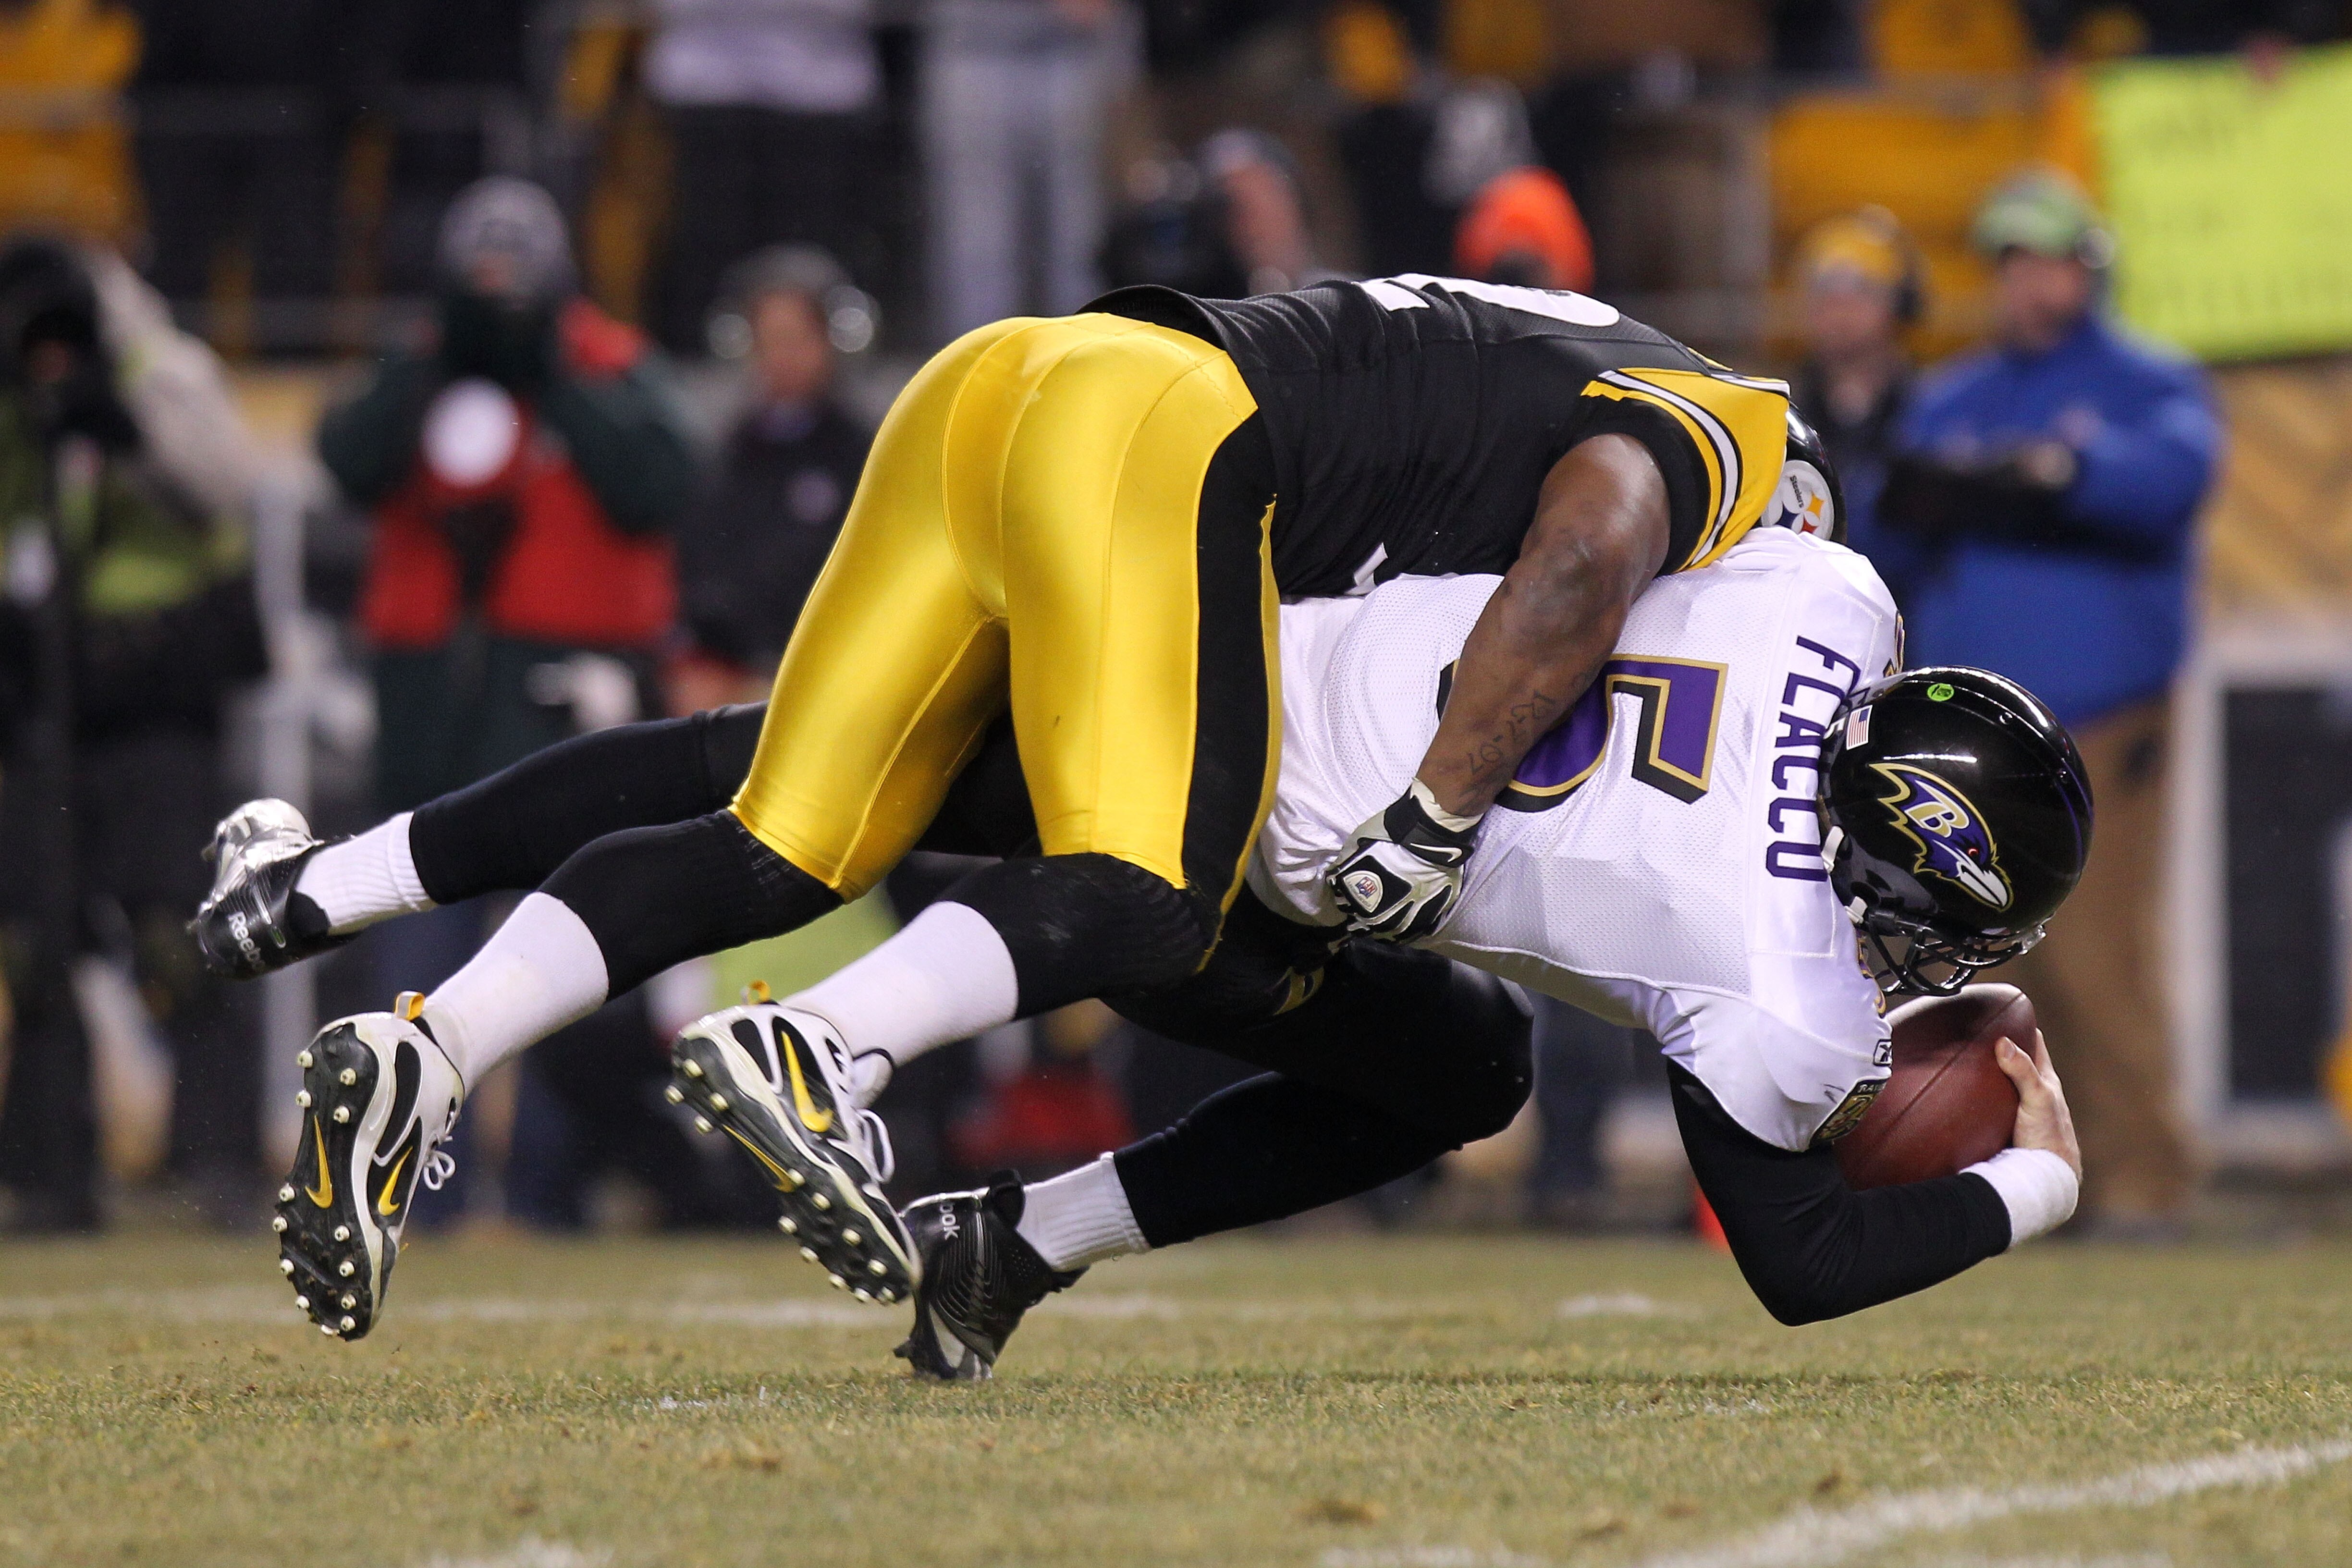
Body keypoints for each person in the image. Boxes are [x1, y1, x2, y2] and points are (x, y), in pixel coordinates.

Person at [201, 271, 1801, 1339]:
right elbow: (1588, 554)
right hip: (1168, 433)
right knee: (1143, 885)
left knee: (779, 819)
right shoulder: (1739, 438)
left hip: (996, 379)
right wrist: (1440, 810)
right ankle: (820, 1044)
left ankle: (381, 977)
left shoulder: (1549, 366)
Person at [1877, 169, 2217, 1237]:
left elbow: (2172, 477)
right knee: (1984, 966)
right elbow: (1891, 536)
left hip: (2104, 719)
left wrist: (2062, 469)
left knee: (2100, 957)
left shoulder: (2144, 381)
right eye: (2011, 262)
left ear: (2090, 266)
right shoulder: (1955, 394)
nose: (2028, 282)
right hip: (1976, 745)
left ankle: (2145, 1184)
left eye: (2048, 260)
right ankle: (2002, 1188)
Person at [0, 234, 270, 1231]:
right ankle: (49, 1178)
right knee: (33, 943)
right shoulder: (14, 398)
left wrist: (126, 433)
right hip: (39, 701)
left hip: (155, 695)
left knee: (178, 936)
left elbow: (228, 493)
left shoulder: (164, 369)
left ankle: (220, 1165)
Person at [670, 246, 873, 716]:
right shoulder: (728, 455)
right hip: (735, 684)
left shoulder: (866, 453)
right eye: (769, 340)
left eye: (798, 339)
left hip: (832, 683)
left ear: (833, 342)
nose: (783, 357)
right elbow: (702, 568)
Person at [644, 0, 886, 354]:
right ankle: (703, 359)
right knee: (709, 239)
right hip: (707, 81)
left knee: (811, 252)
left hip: (819, 81)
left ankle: (816, 373)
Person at [921, 0, 1125, 342]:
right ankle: (979, 372)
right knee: (980, 245)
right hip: (972, 43)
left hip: (1070, 47)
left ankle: (1084, 363)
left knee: (1077, 238)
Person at [1787, 208, 1923, 603]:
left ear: (1899, 304)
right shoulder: (1778, 414)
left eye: (1862, 291)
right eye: (1826, 294)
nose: (1841, 311)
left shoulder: (1934, 411)